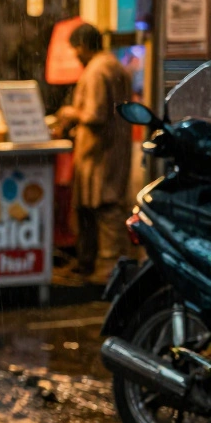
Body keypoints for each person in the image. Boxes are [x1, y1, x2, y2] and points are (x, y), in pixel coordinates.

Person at [56, 22, 132, 280]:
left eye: (75, 48)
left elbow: (95, 114)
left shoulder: (97, 71)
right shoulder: (115, 66)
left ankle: (108, 269)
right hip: (113, 149)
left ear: (83, 46)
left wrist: (69, 113)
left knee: (104, 208)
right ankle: (87, 263)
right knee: (89, 208)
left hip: (99, 152)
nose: (75, 54)